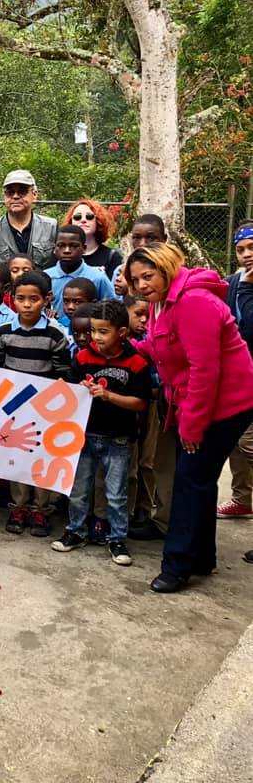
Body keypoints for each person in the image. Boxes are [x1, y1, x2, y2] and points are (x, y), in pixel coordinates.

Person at [126, 242, 253, 592]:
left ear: (166, 268)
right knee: (199, 480)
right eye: (136, 280)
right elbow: (161, 346)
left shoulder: (195, 302)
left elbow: (205, 370)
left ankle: (177, 566)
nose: (142, 285)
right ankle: (201, 557)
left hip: (225, 404)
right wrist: (128, 348)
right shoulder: (162, 304)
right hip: (199, 401)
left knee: (189, 481)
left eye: (148, 276)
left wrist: (192, 426)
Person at [52, 300, 151, 566]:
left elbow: (141, 403)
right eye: (94, 331)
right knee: (79, 490)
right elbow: (72, 391)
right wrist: (79, 387)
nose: (95, 337)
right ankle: (75, 532)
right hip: (85, 435)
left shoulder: (137, 362)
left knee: (116, 494)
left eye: (102, 331)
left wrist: (108, 395)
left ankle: (117, 538)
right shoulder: (83, 357)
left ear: (121, 332)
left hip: (119, 439)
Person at [0, 270, 71, 537]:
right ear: (12, 299)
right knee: (18, 456)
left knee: (43, 458)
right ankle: (18, 507)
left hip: (46, 410)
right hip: (15, 408)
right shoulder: (3, 332)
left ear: (47, 299)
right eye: (21, 298)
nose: (27, 305)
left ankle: (41, 510)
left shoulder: (55, 335)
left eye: (34, 299)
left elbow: (62, 373)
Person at [219, 221, 253, 520]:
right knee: (237, 440)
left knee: (249, 443)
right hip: (238, 376)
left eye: (252, 248)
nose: (246, 255)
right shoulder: (231, 282)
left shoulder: (243, 285)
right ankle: (242, 498)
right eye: (241, 249)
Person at [0, 170, 58, 267]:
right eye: (10, 192)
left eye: (22, 191)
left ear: (34, 194)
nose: (15, 196)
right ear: (4, 196)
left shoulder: (52, 228)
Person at [44, 225, 115, 313]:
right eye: (61, 245)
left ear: (84, 249)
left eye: (74, 246)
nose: (67, 250)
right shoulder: (46, 277)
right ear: (55, 248)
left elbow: (112, 309)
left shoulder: (97, 278)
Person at [62, 199, 123, 280]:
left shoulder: (112, 256)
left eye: (89, 216)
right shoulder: (62, 255)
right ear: (71, 222)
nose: (83, 220)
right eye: (77, 217)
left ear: (98, 221)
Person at [114, 214, 168, 295]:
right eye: (137, 237)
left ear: (164, 239)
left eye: (151, 238)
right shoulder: (121, 271)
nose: (142, 244)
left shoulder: (173, 271)